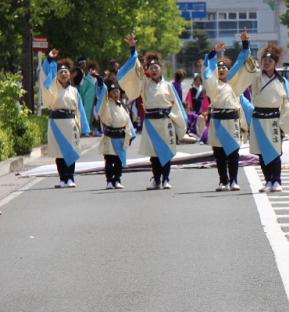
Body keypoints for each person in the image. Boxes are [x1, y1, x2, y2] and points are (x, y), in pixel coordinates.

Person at [118, 34, 187, 190]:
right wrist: (132, 48)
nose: (154, 70)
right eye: (151, 68)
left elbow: (176, 106)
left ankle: (166, 178)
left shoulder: (168, 85)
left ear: (161, 70)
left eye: (157, 67)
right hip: (151, 122)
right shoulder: (144, 83)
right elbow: (135, 70)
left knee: (167, 151)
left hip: (166, 121)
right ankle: (156, 179)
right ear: (147, 70)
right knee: (154, 154)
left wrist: (179, 124)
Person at [242, 42, 289, 193]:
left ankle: (277, 180)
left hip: (274, 120)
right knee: (262, 152)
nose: (266, 63)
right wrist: (245, 44)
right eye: (264, 60)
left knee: (275, 151)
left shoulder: (282, 81)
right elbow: (248, 64)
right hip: (258, 118)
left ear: (275, 64)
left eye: (270, 61)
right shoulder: (256, 78)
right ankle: (268, 180)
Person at [202, 32, 257, 192]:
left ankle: (233, 180)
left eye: (224, 67)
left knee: (233, 152)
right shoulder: (212, 84)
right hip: (217, 120)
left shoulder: (234, 84)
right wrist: (214, 52)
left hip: (232, 120)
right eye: (218, 67)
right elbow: (207, 70)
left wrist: (245, 44)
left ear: (229, 70)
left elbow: (241, 63)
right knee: (219, 153)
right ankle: (223, 181)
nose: (221, 70)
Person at [40, 49, 91, 188]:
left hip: (70, 123)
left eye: (66, 72)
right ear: (56, 75)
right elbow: (45, 76)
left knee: (71, 151)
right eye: (60, 72)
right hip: (56, 123)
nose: (63, 74)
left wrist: (84, 127)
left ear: (70, 75)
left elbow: (80, 109)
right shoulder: (53, 87)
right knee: (59, 152)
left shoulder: (74, 90)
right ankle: (62, 178)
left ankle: (70, 178)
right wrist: (50, 59)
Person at [95, 79, 134, 189]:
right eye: (113, 92)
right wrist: (100, 85)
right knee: (109, 160)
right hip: (110, 137)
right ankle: (109, 181)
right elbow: (100, 96)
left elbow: (127, 121)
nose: (116, 94)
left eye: (117, 91)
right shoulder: (106, 104)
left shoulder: (122, 105)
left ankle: (117, 179)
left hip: (121, 136)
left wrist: (130, 135)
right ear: (109, 93)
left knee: (119, 160)